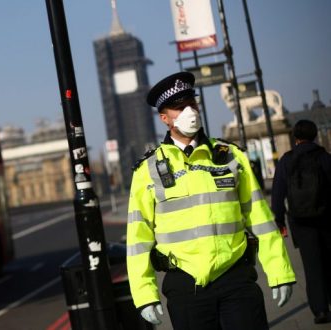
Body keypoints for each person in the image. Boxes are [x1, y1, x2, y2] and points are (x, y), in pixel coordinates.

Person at [125, 72, 296, 329]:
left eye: (192, 104)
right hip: (185, 286)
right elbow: (138, 239)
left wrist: (280, 272)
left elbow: (260, 219)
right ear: (165, 118)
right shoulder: (147, 171)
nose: (189, 111)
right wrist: (144, 295)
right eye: (180, 108)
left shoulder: (231, 157)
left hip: (236, 279)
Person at [271, 119, 331, 324]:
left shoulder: (287, 160)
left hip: (300, 221)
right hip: (326, 218)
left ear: (295, 137)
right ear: (314, 135)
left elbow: (278, 194)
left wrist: (279, 220)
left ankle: (320, 310)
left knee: (311, 266)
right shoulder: (324, 157)